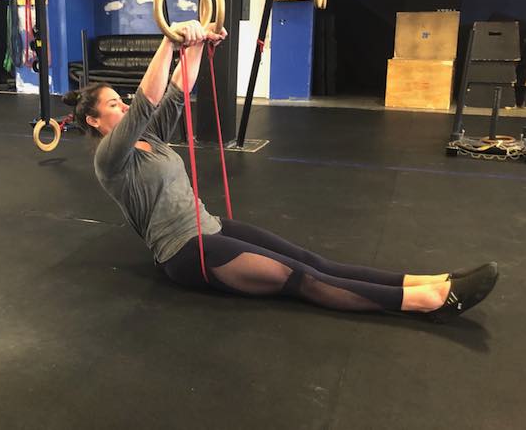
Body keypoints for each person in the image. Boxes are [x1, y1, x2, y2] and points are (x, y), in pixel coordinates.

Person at [63, 20, 498, 322]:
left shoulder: (151, 139)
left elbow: (179, 88)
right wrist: (171, 40)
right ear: (96, 123)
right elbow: (148, 101)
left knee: (313, 260)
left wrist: (197, 44)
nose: (122, 106)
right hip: (185, 253)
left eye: (121, 99)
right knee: (301, 280)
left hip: (210, 227)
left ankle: (431, 279)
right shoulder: (110, 159)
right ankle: (427, 302)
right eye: (112, 105)